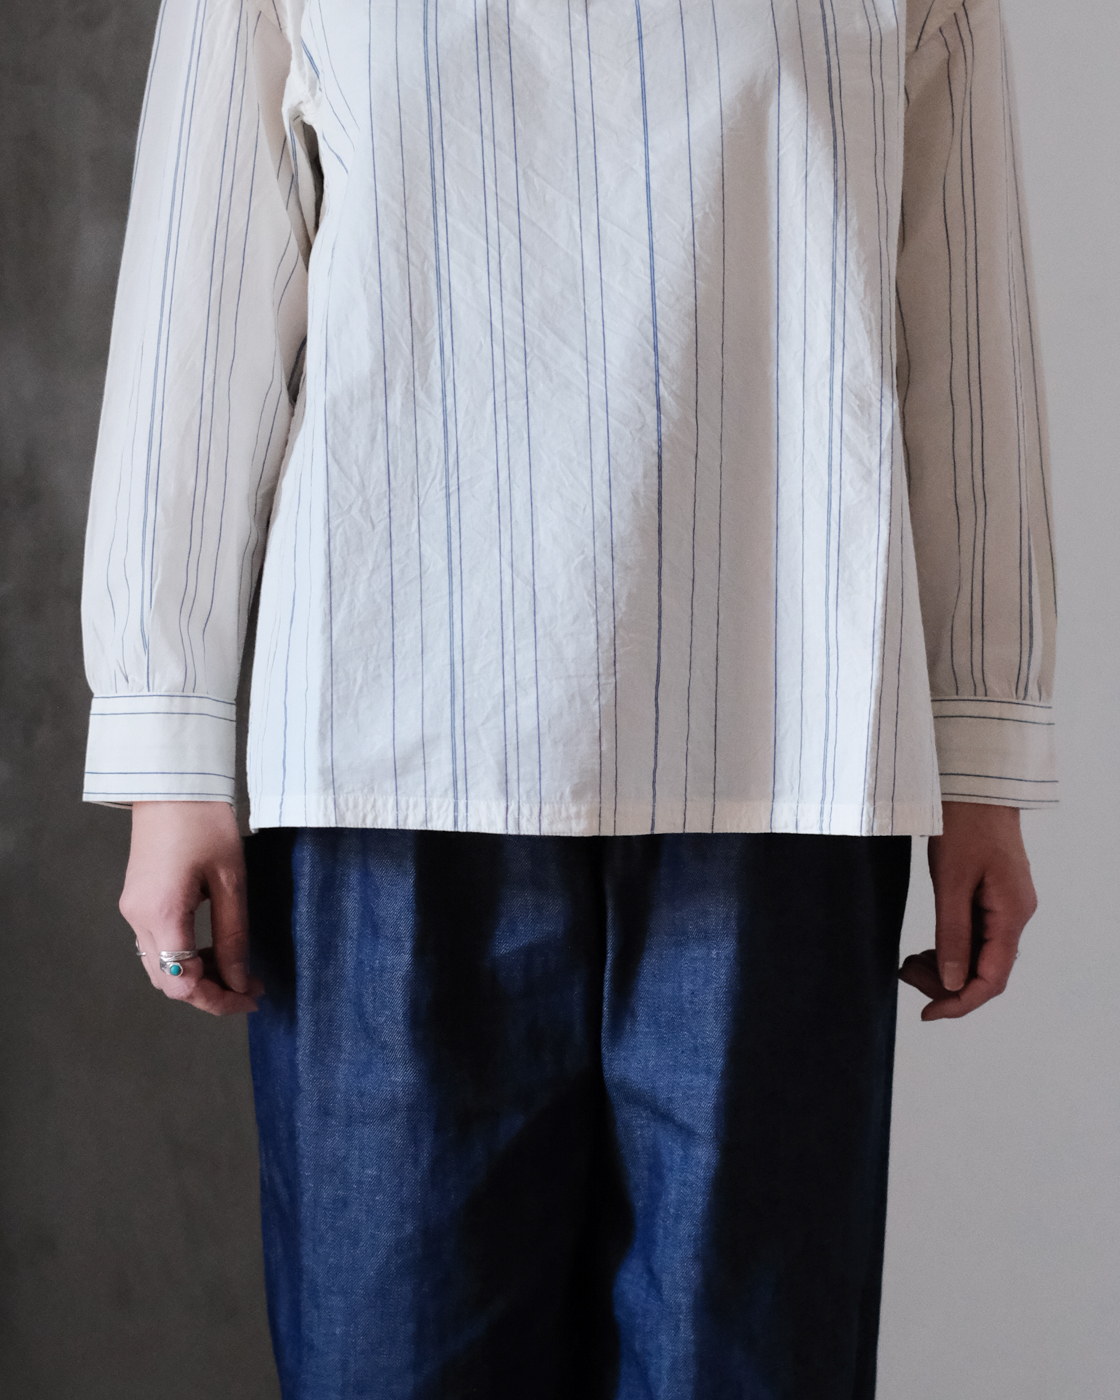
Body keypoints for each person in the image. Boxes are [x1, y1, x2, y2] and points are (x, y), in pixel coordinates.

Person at [82, 0, 1056, 1395]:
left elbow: (965, 329)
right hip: (385, 748)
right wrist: (169, 747)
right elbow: (203, 295)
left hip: (781, 738)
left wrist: (984, 750)